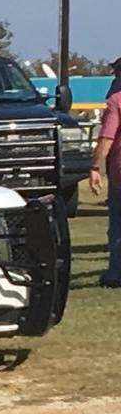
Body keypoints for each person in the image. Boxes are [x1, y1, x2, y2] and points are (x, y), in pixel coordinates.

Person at [93, 78, 121, 287]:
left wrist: (95, 167)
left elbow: (107, 137)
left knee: (118, 226)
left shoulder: (116, 101)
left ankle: (116, 274)